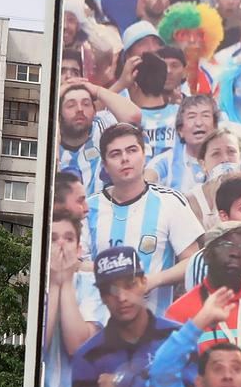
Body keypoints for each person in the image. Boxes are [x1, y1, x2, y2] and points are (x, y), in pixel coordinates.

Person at [84, 122, 204, 314]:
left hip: (154, 328)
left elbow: (192, 260)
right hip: (99, 327)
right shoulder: (88, 208)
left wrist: (150, 281)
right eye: (115, 154)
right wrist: (115, 274)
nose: (125, 159)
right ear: (105, 164)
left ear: (144, 155)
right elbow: (74, 264)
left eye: (132, 150)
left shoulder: (169, 201)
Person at [165, 222, 241, 387]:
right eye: (228, 245)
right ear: (206, 255)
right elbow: (167, 377)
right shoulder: (179, 313)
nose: (236, 253)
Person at [69, 247, 185, 387]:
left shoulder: (178, 338)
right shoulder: (88, 356)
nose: (122, 297)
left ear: (144, 283)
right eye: (111, 290)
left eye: (130, 285)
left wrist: (124, 384)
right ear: (102, 296)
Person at [41, 207, 103, 387]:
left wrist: (65, 281)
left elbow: (77, 347)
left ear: (79, 250)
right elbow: (39, 346)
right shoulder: (36, 288)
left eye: (68, 238)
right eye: (53, 239)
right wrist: (53, 283)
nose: (61, 245)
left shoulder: (92, 284)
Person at [146, 292, 241, 387]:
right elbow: (162, 372)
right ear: (199, 383)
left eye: (236, 368)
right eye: (218, 369)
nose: (227, 376)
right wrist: (203, 318)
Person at [57, 79, 141, 190]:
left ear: (95, 111)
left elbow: (134, 117)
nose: (80, 109)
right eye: (71, 105)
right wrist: (56, 94)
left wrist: (97, 90)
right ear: (59, 113)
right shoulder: (51, 136)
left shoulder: (104, 124)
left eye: (86, 104)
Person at [149, 94, 217, 195]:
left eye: (205, 115)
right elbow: (146, 181)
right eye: (191, 117)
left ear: (215, 126)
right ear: (180, 130)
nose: (198, 122)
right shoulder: (165, 161)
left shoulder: (227, 158)